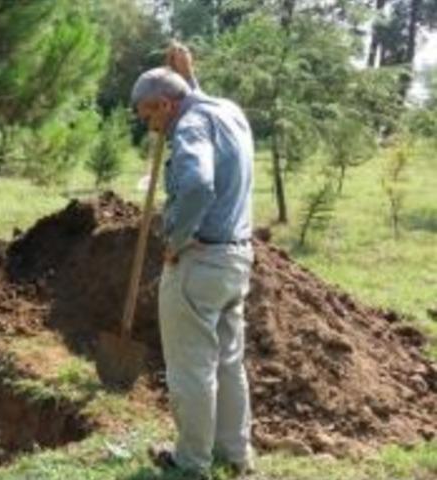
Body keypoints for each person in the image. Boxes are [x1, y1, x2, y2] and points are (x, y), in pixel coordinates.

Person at [131, 43, 255, 478]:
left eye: (151, 117)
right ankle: (235, 454)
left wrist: (175, 239)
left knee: (191, 368)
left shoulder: (189, 128)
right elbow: (198, 106)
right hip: (237, 259)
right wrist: (191, 77)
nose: (153, 129)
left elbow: (200, 184)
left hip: (199, 261)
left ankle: (191, 463)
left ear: (165, 104)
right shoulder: (228, 111)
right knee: (228, 362)